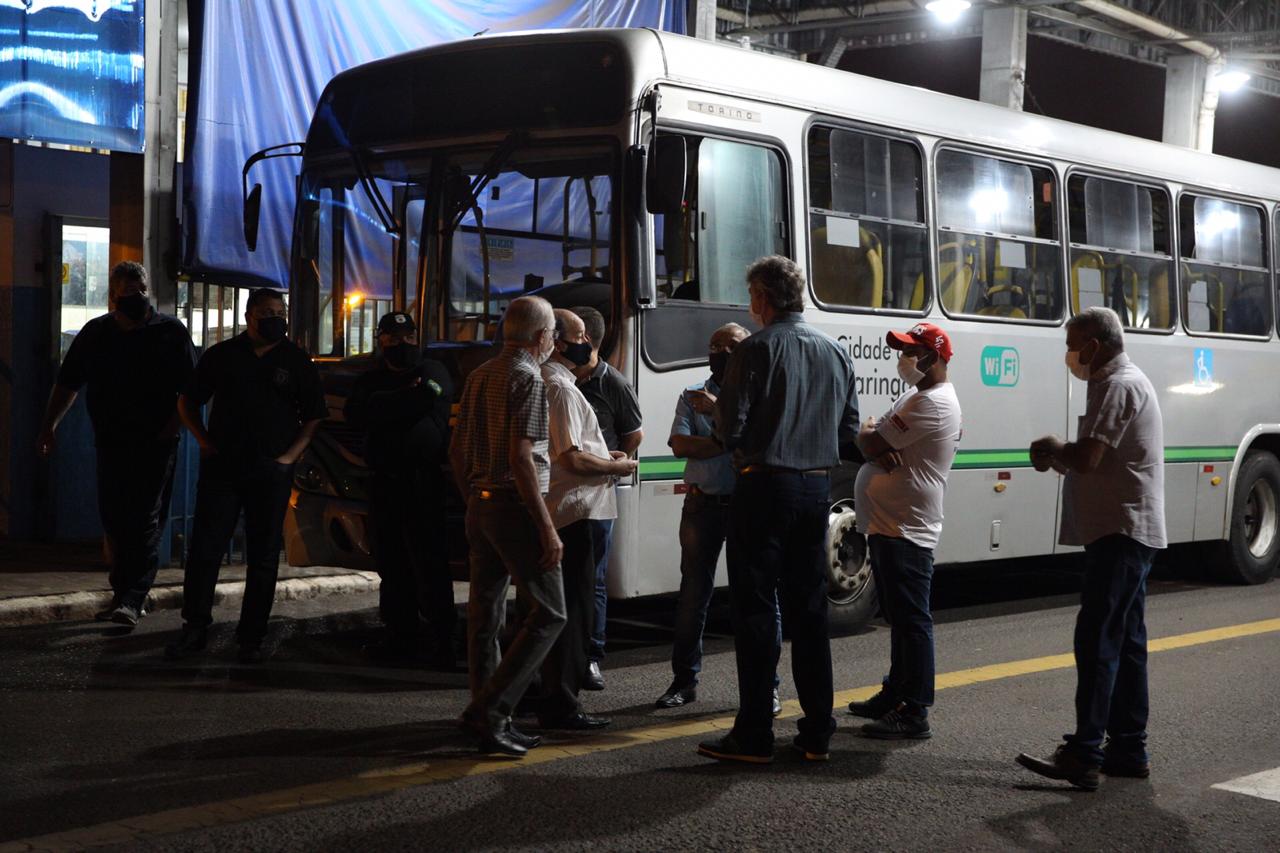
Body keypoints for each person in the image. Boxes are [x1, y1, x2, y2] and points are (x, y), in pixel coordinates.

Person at [697, 255, 860, 765]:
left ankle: (754, 735)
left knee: (755, 609)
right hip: (816, 491)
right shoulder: (836, 352)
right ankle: (817, 733)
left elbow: (730, 429)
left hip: (763, 488)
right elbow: (848, 431)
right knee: (810, 613)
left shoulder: (756, 348)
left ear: (762, 299)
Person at [1017, 306, 1166, 791]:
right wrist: (1061, 458)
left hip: (1120, 532)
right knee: (1125, 641)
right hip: (1121, 529)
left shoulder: (1117, 384)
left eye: (1072, 343)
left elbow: (1089, 456)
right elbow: (1099, 464)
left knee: (1098, 639)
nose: (1069, 354)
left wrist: (1055, 448)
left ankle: (1084, 752)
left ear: (1094, 346)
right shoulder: (1114, 382)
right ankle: (1128, 748)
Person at [165, 288, 327, 664]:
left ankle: (251, 637)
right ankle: (195, 629)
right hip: (224, 468)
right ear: (249, 316)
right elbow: (187, 401)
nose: (276, 317)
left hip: (271, 473)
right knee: (206, 550)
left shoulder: (296, 360)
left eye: (281, 311)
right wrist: (204, 441)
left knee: (265, 555)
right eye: (268, 311)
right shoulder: (222, 356)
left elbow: (315, 415)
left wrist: (288, 458)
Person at [36, 261, 195, 627]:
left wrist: (172, 428)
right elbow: (68, 385)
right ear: (113, 296)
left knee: (143, 519)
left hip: (155, 444)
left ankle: (133, 598)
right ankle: (122, 594)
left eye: (140, 289)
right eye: (127, 292)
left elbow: (190, 390)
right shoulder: (97, 334)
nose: (135, 297)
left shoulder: (170, 332)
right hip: (110, 442)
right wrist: (48, 428)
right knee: (115, 518)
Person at [450, 295, 566, 758]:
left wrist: (473, 501)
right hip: (514, 508)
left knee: (485, 616)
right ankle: (491, 712)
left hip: (480, 505)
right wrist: (547, 529)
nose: (554, 341)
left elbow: (456, 452)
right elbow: (522, 459)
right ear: (541, 337)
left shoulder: (479, 375)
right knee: (550, 612)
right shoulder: (528, 379)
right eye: (554, 333)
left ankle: (487, 714)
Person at [851, 322, 961, 739]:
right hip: (891, 525)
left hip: (907, 528)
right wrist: (875, 437)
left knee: (912, 620)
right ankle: (895, 693)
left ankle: (914, 711)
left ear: (933, 357)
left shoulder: (931, 403)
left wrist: (870, 434)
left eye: (911, 351)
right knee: (898, 617)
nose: (904, 358)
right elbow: (878, 440)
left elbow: (871, 441)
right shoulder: (918, 395)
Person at [533, 309, 636, 729]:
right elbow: (571, 458)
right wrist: (617, 468)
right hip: (577, 511)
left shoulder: (558, 385)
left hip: (571, 509)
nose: (588, 345)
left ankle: (547, 694)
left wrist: (603, 455)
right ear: (558, 342)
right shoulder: (559, 388)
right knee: (573, 612)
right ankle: (562, 704)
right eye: (580, 337)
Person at [344, 311, 456, 669]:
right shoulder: (370, 378)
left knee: (430, 563)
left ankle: (444, 642)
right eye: (394, 338)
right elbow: (355, 413)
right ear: (381, 340)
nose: (403, 343)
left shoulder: (434, 371)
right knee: (391, 564)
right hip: (384, 482)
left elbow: (427, 397)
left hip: (423, 482)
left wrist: (383, 403)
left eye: (408, 337)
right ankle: (399, 637)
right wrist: (400, 399)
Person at [655, 323, 751, 708]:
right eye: (715, 344)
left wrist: (717, 425)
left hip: (747, 505)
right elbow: (679, 444)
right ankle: (683, 681)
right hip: (702, 504)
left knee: (756, 598)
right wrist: (725, 441)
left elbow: (754, 445)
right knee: (694, 595)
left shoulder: (755, 393)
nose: (721, 351)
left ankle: (767, 686)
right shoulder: (692, 393)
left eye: (732, 345)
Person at [570, 305, 643, 690]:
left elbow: (634, 434)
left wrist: (617, 463)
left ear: (588, 341)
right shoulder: (560, 380)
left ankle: (592, 657)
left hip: (596, 496)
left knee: (594, 578)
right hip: (564, 494)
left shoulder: (612, 382)